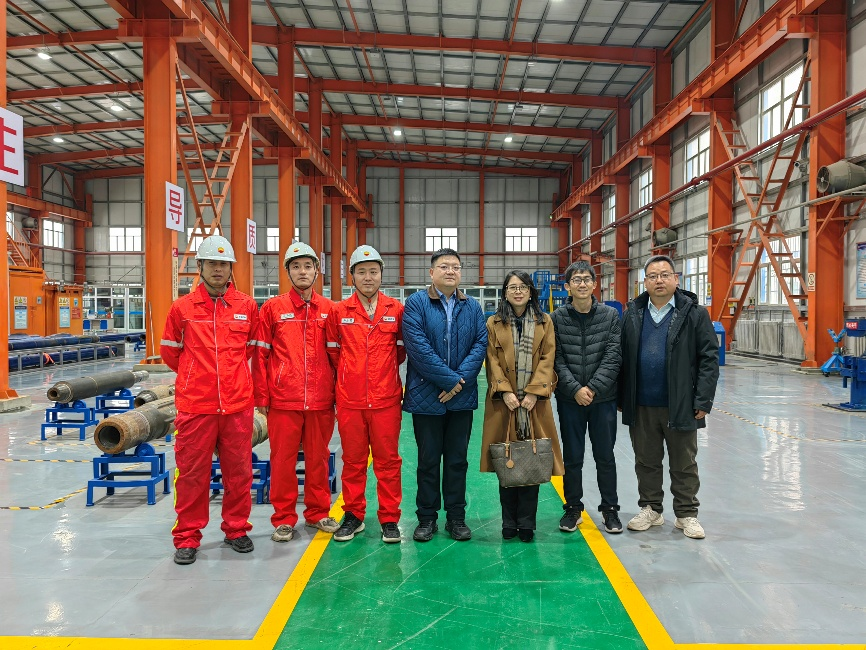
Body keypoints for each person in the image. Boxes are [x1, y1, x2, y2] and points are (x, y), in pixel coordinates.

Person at [160, 235, 259, 565]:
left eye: (224, 264)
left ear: (231, 269)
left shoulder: (247, 306)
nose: (218, 269)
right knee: (192, 473)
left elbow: (250, 349)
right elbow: (170, 352)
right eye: (212, 263)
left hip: (237, 405)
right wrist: (196, 375)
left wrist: (230, 377)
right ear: (200, 267)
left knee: (239, 471)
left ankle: (236, 529)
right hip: (196, 406)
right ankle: (187, 536)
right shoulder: (182, 308)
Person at [619, 254, 719, 539]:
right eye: (653, 276)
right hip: (641, 403)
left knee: (684, 462)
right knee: (646, 461)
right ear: (645, 282)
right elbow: (622, 357)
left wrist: (703, 399)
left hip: (681, 403)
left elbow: (709, 358)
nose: (659, 280)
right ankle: (651, 508)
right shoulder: (633, 314)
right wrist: (622, 398)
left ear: (676, 279)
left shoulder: (694, 314)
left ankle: (686, 514)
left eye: (665, 275)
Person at [252, 242, 339, 544]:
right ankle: (284, 519)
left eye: (308, 266)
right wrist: (262, 397)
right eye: (296, 266)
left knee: (318, 459)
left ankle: (317, 513)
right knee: (282, 461)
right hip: (283, 399)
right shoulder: (272, 309)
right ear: (288, 272)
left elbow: (338, 357)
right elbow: (260, 356)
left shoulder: (329, 310)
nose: (302, 272)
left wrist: (337, 395)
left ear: (317, 270)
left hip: (321, 399)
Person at [402, 248, 487, 542]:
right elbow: (418, 349)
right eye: (444, 266)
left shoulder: (472, 307)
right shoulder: (416, 303)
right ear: (431, 272)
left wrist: (458, 383)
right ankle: (427, 518)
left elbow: (480, 344)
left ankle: (456, 518)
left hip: (461, 398)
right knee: (427, 461)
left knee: (457, 461)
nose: (450, 271)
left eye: (455, 267)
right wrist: (451, 381)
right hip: (426, 397)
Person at [326, 245, 406, 544]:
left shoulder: (396, 310)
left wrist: (380, 376)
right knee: (353, 461)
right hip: (351, 401)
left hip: (386, 400)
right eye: (362, 272)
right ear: (352, 276)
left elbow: (400, 352)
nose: (368, 277)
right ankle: (354, 515)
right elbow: (334, 353)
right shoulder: (339, 312)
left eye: (373, 271)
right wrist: (353, 375)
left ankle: (389, 518)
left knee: (388, 462)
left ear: (381, 275)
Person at [480, 271, 564, 542]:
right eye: (512, 287)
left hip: (533, 404)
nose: (518, 291)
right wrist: (505, 391)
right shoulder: (493, 322)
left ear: (530, 292)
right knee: (506, 462)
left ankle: (527, 524)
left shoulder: (544, 321)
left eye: (523, 287)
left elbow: (548, 357)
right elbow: (491, 359)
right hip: (503, 403)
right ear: (505, 292)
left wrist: (534, 393)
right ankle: (508, 522)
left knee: (532, 460)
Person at [552, 261, 623, 535]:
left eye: (586, 279)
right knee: (573, 457)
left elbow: (613, 356)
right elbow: (556, 358)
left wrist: (592, 388)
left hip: (603, 399)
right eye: (576, 280)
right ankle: (573, 508)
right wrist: (574, 389)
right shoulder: (557, 318)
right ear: (567, 286)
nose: (582, 284)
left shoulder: (610, 316)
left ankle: (610, 509)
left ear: (595, 284)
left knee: (605, 456)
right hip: (570, 400)